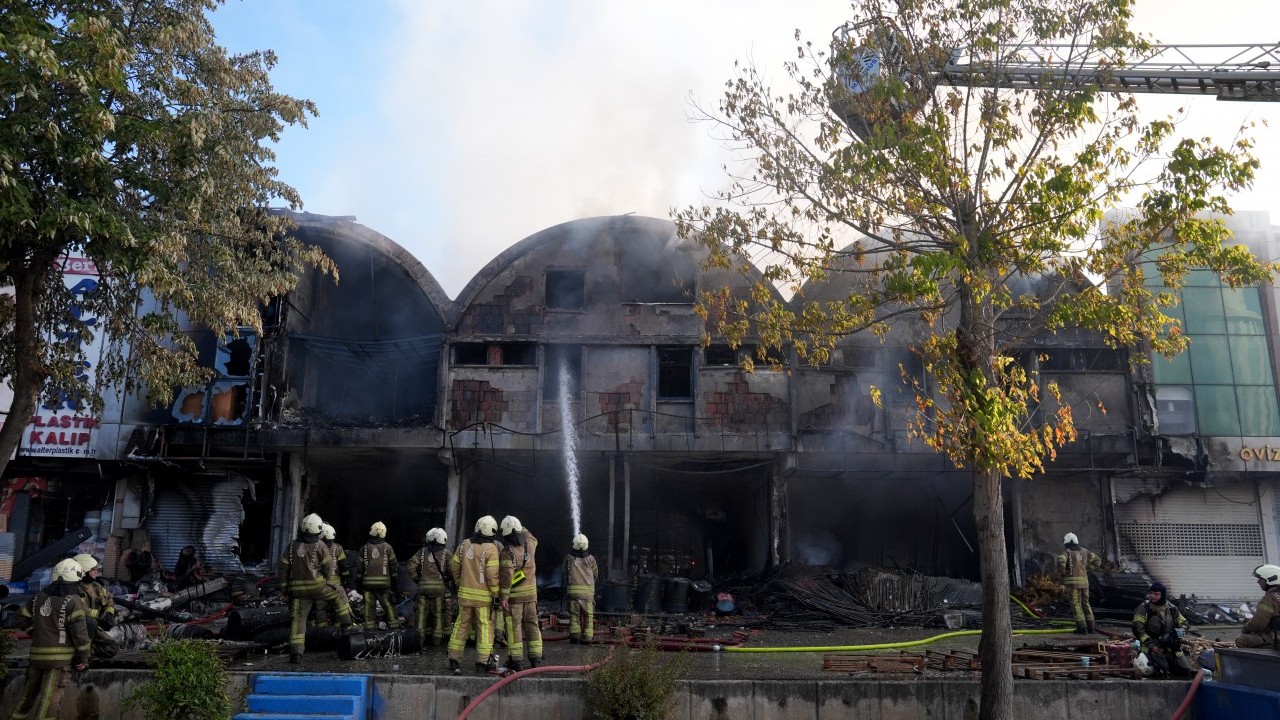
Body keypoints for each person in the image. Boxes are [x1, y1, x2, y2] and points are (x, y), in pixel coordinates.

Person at [6, 558, 91, 720]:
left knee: (26, 697)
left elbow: (20, 618)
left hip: (36, 658)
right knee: (49, 700)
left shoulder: (37, 597)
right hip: (59, 662)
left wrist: (35, 632)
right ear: (75, 579)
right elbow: (80, 633)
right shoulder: (74, 601)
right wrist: (84, 657)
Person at [279, 513, 355, 664]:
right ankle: (348, 626)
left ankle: (296, 654)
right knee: (339, 592)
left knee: (298, 620)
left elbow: (283, 568)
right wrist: (326, 580)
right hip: (318, 587)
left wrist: (284, 589)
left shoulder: (292, 546)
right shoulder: (320, 545)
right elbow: (327, 567)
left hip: (297, 591)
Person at [447, 515, 502, 675]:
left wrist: (460, 583)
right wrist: (496, 594)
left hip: (465, 596)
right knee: (484, 628)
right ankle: (481, 663)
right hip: (484, 599)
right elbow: (492, 576)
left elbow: (454, 566)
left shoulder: (464, 544)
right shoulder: (491, 548)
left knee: (460, 626)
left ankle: (454, 660)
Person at [498, 516, 542, 671]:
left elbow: (506, 577)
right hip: (531, 597)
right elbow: (532, 536)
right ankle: (536, 659)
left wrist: (503, 597)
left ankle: (517, 661)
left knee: (514, 627)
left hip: (515, 599)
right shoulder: (530, 543)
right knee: (532, 625)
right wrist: (520, 527)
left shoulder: (506, 552)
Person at [1132, 582, 1193, 678]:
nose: (1152, 596)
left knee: (1186, 670)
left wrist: (1176, 635)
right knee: (1163, 672)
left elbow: (1185, 624)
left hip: (1171, 646)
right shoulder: (1144, 608)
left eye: (1156, 594)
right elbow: (1138, 629)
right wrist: (1151, 645)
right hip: (1153, 647)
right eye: (1151, 593)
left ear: (1163, 595)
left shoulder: (1172, 608)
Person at [408, 527, 452, 648]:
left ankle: (420, 640)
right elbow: (453, 569)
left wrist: (418, 579)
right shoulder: (447, 553)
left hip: (423, 590)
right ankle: (436, 640)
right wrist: (448, 578)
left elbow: (410, 566)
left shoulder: (421, 552)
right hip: (439, 590)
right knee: (438, 614)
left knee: (421, 614)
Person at [72, 553, 119, 658]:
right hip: (79, 627)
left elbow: (109, 599)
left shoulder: (95, 586)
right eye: (92, 569)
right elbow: (79, 608)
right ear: (83, 571)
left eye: (96, 569)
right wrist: (100, 615)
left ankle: (86, 649)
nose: (95, 572)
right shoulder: (73, 588)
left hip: (93, 626)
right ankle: (77, 652)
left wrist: (109, 613)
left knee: (111, 648)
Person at [357, 521, 400, 631]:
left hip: (367, 585)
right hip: (384, 585)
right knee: (388, 606)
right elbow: (393, 566)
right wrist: (395, 583)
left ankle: (370, 631)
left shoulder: (364, 548)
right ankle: (394, 629)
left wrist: (358, 584)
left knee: (368, 609)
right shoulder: (388, 548)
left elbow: (359, 568)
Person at [1056, 532, 1101, 634]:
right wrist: (1088, 569)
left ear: (1066, 542)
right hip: (1085, 584)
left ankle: (1082, 628)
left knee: (1076, 605)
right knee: (1085, 603)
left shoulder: (1066, 552)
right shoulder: (1085, 552)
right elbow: (1098, 561)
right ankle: (1091, 627)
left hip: (1073, 585)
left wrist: (1063, 573)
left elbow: (1060, 561)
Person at [312, 523, 351, 627]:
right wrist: (346, 581)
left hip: (321, 585)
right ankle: (337, 629)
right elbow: (344, 566)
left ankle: (322, 631)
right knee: (338, 607)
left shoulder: (316, 548)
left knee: (320, 607)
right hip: (336, 585)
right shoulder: (338, 548)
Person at [563, 533, 598, 644]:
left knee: (574, 615)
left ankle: (575, 637)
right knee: (588, 616)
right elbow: (595, 574)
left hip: (573, 594)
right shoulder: (591, 559)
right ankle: (587, 638)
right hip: (588, 594)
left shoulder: (569, 558)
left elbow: (564, 572)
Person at [1235, 563, 1280, 648]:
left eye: (1261, 579)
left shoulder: (1269, 598)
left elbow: (1258, 624)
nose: (1258, 581)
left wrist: (1246, 628)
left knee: (1241, 640)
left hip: (1276, 639)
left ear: (1271, 579)